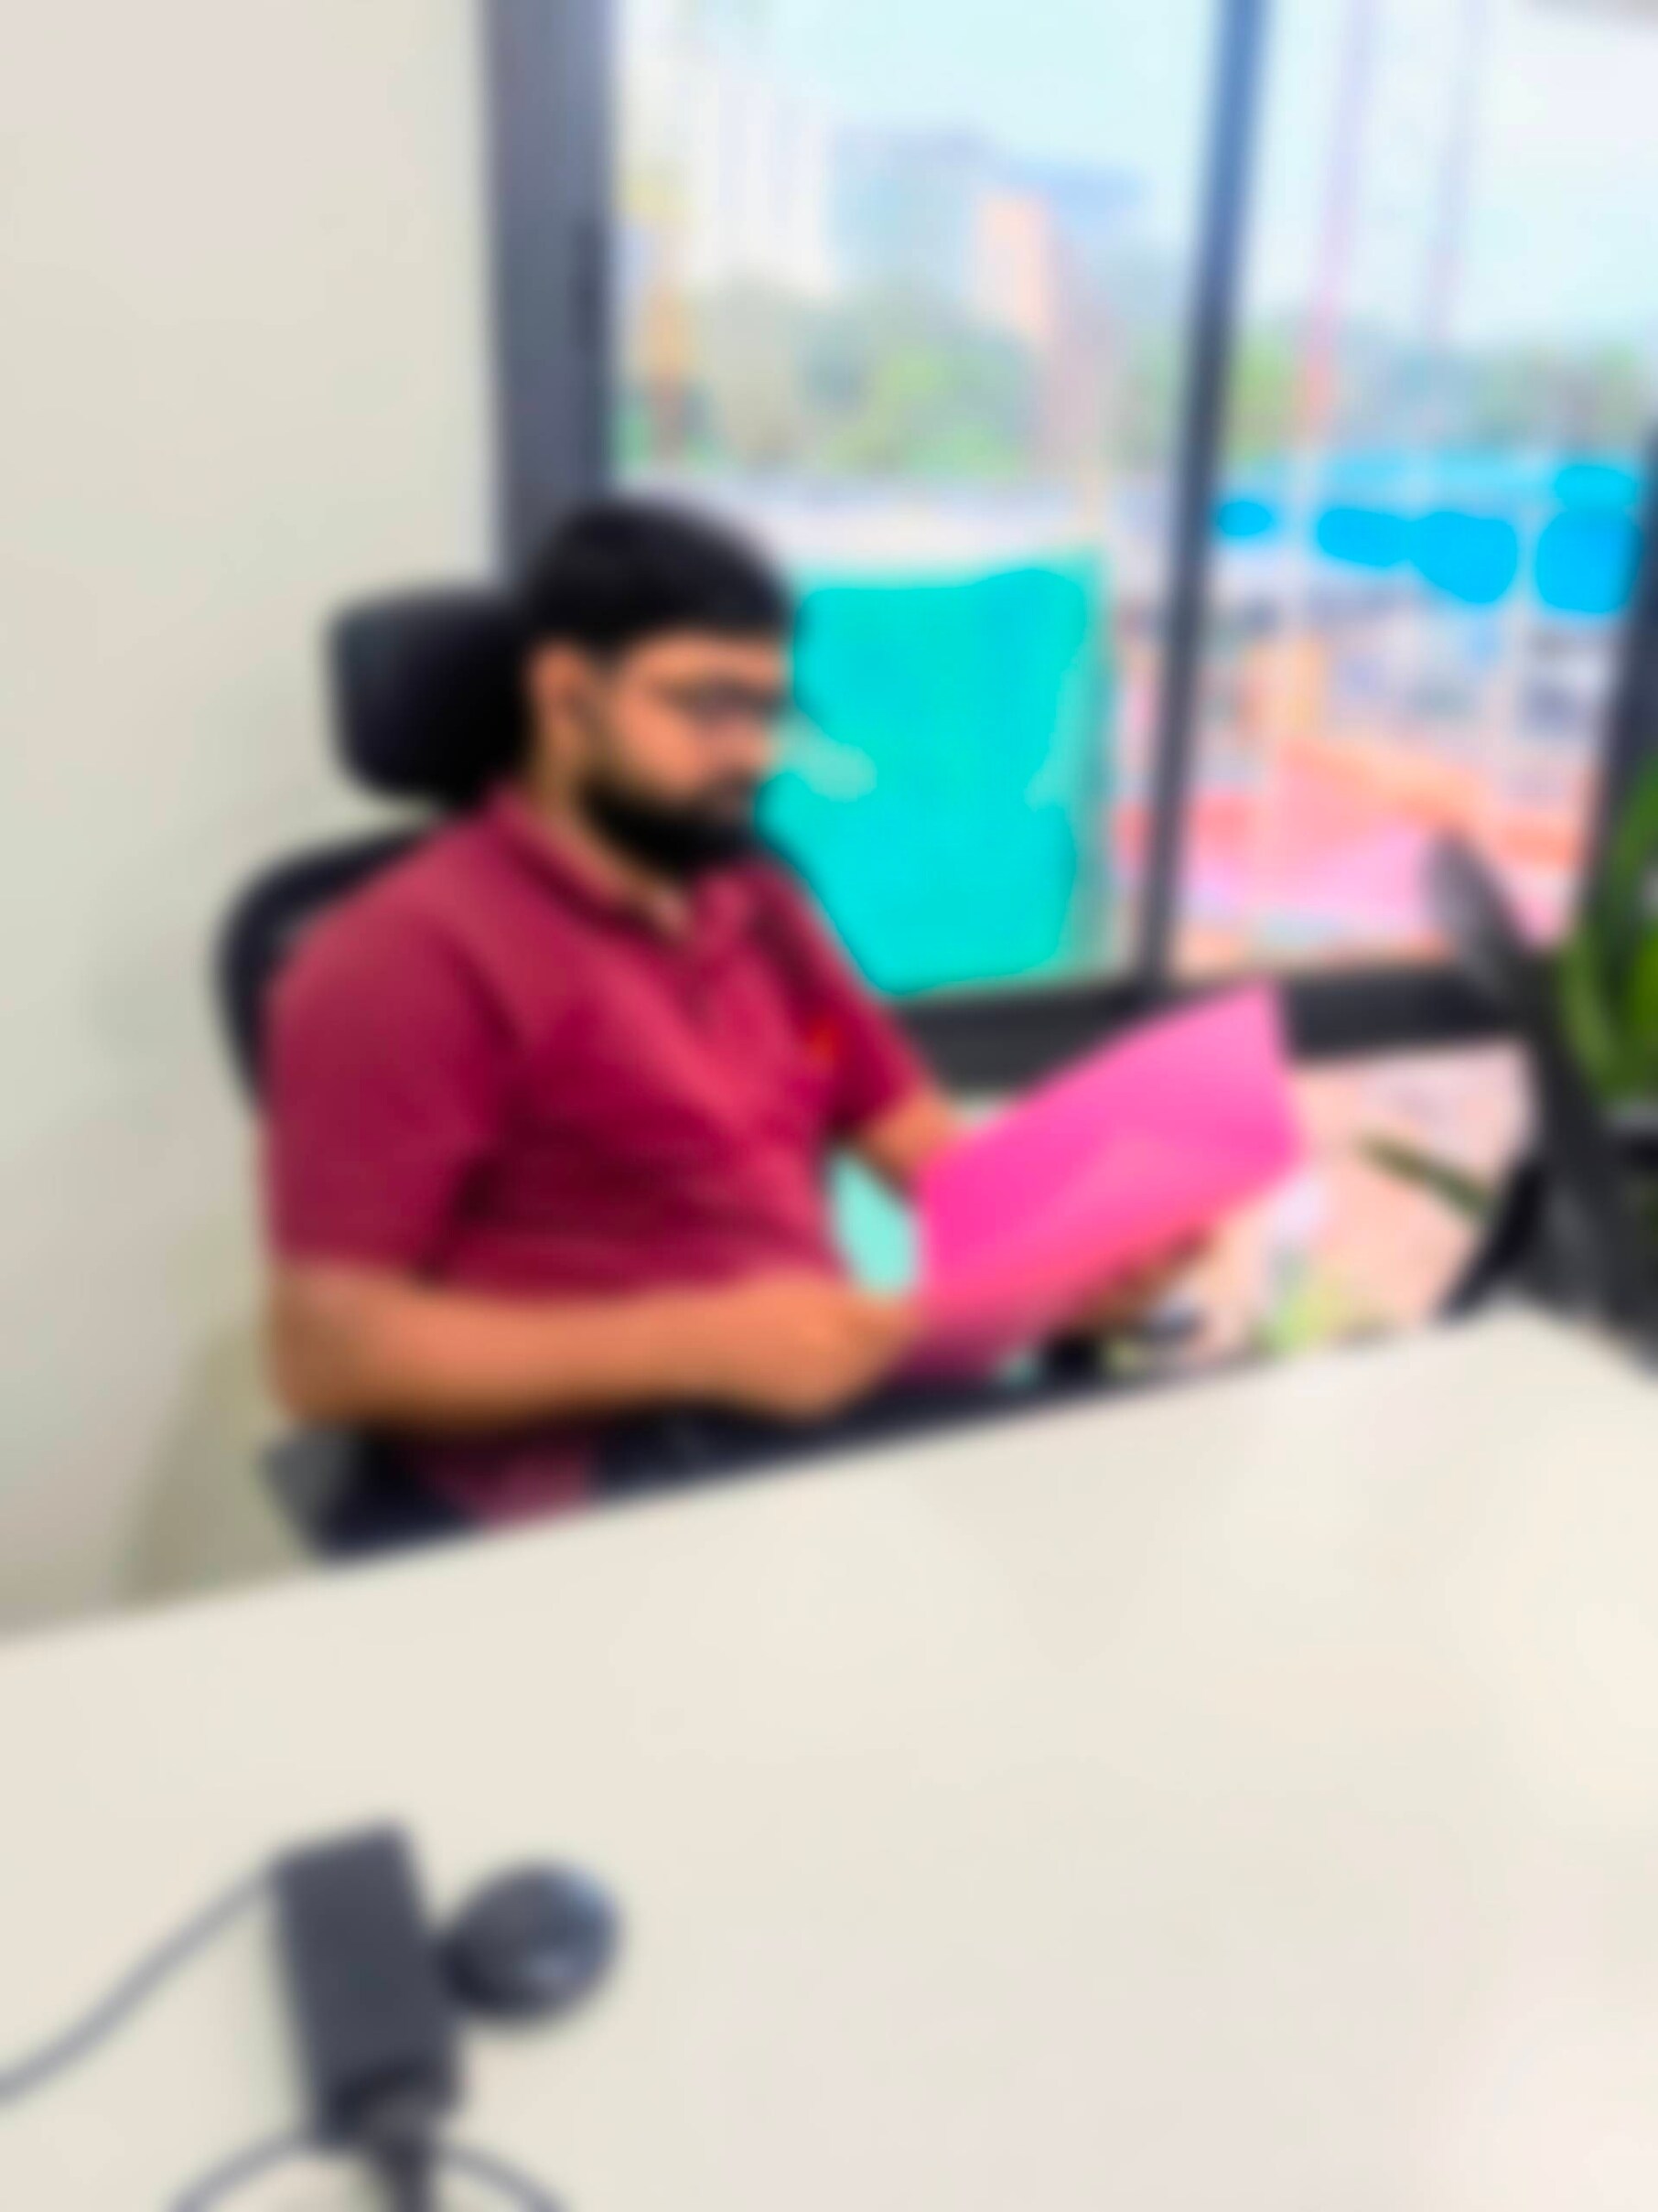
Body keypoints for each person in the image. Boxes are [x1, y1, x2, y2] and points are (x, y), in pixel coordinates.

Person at [265, 498, 1188, 1533]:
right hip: (614, 1475)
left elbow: (900, 1124)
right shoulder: (406, 957)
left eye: (765, 711)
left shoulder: (753, 905)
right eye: (706, 705)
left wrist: (1075, 1250)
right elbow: (326, 1352)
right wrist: (699, 1344)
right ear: (566, 695)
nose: (748, 754)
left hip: (802, 1410)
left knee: (1150, 1470)